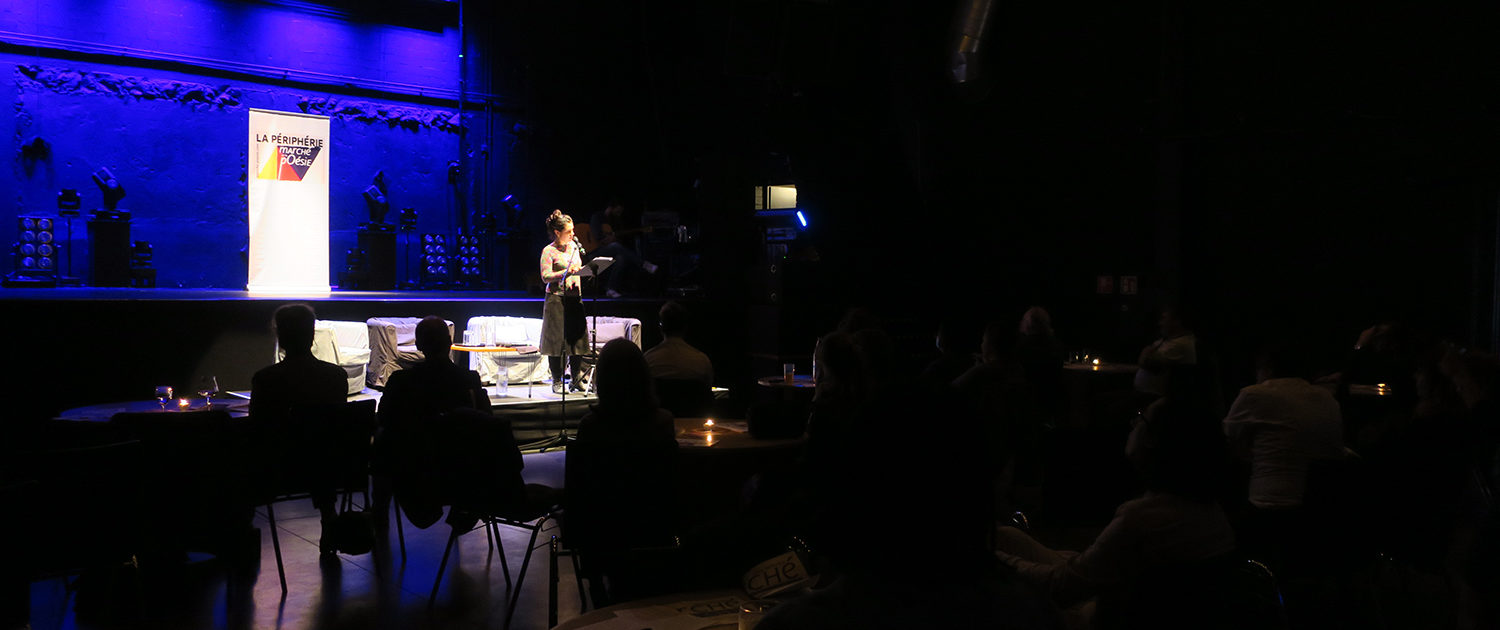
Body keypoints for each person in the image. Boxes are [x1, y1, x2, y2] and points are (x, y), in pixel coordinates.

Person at [565, 338, 678, 604]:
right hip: (653, 525)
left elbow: (580, 489)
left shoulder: (591, 425)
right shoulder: (663, 422)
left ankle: (597, 585)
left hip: (601, 529)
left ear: (603, 379)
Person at [372, 316, 491, 527]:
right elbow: (486, 421)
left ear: (419, 346)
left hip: (412, 474)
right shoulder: (469, 379)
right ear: (449, 343)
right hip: (461, 472)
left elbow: (384, 418)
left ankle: (379, 517)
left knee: (383, 441)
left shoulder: (401, 381)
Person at [249, 304, 348, 549]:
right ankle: (328, 514)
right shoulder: (336, 376)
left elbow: (256, 428)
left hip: (281, 471)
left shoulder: (266, 379)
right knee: (319, 449)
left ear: (280, 337)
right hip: (333, 468)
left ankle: (241, 536)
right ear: (312, 335)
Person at [1222, 341, 1348, 512]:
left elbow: (1226, 439)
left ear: (1267, 368)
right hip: (1325, 500)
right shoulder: (1327, 397)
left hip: (1273, 500)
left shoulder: (1255, 394)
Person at [540, 209, 590, 394]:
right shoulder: (548, 251)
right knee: (556, 341)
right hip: (556, 299)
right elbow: (545, 276)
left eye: (573, 230)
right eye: (569, 231)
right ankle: (557, 379)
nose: (573, 234)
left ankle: (576, 378)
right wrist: (565, 273)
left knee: (577, 340)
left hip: (574, 297)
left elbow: (578, 267)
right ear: (557, 232)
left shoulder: (574, 247)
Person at [587, 200, 658, 298]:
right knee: (615, 246)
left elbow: (617, 240)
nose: (619, 214)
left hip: (609, 251)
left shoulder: (615, 221)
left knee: (621, 258)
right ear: (611, 208)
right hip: (594, 251)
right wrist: (608, 239)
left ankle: (611, 289)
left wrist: (614, 239)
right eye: (617, 211)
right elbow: (598, 237)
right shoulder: (598, 217)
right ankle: (644, 264)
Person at [643, 301, 714, 386]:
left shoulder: (647, 360)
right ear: (685, 327)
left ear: (661, 327)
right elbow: (707, 389)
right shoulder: (702, 361)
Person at [1133, 304, 1197, 398]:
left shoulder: (1180, 344)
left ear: (1177, 321)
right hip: (1146, 395)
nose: (1160, 323)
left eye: (1164, 318)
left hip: (1157, 398)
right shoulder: (1168, 340)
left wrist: (1145, 351)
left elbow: (1146, 363)